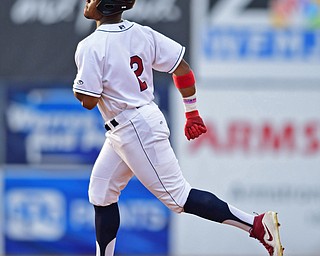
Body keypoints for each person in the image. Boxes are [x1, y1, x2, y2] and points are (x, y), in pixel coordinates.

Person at [73, 0, 284, 255]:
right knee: (101, 190)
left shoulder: (90, 45)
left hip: (133, 126)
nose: (87, 2)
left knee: (179, 198)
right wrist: (191, 112)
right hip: (135, 122)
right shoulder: (142, 33)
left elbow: (88, 101)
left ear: (106, 5)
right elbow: (182, 69)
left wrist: (78, 88)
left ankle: (256, 225)